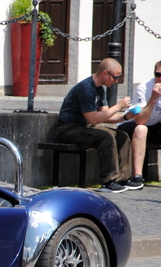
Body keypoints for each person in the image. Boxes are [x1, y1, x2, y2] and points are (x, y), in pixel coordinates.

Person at [55, 58, 137, 193]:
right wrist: (118, 106)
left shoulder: (100, 89)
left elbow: (105, 115)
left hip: (82, 128)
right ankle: (108, 181)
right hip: (67, 129)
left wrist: (125, 117)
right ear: (105, 73)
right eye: (115, 77)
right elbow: (93, 119)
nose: (116, 81)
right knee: (105, 136)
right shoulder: (86, 88)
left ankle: (122, 178)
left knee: (121, 135)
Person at [117, 60, 161, 189]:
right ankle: (137, 176)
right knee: (141, 128)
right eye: (157, 74)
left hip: (154, 125)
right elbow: (140, 120)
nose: (160, 78)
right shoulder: (144, 88)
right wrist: (153, 98)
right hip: (131, 125)